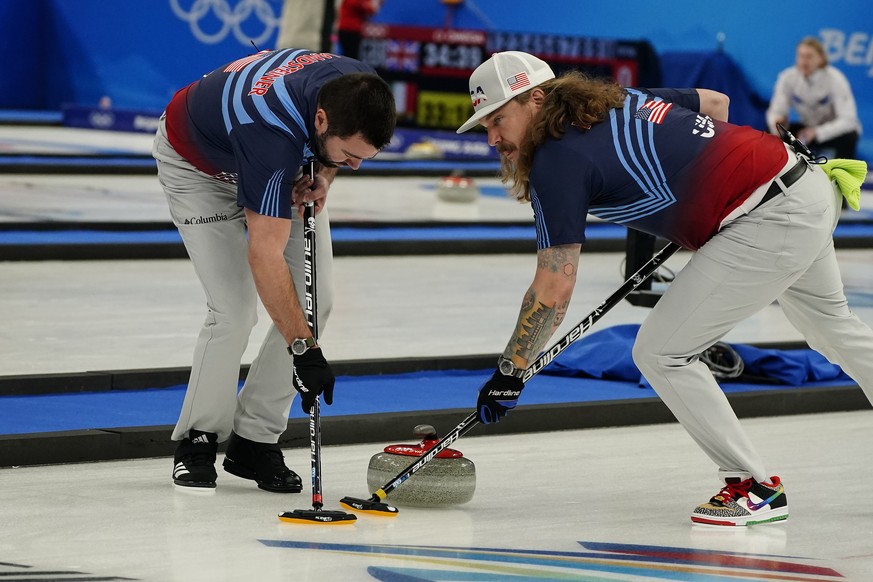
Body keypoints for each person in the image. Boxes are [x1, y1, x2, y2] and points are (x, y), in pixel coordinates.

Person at [457, 51, 873, 526]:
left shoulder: (557, 160)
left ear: (535, 99)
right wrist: (700, 201)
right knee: (834, 327)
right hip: (805, 185)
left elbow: (553, 287)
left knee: (660, 353)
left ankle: (752, 488)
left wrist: (511, 371)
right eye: (483, 126)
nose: (492, 138)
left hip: (770, 218)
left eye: (497, 119)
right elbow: (715, 105)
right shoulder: (613, 98)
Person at [152, 48, 396, 492]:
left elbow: (332, 154)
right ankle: (198, 438)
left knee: (316, 299)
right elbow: (264, 256)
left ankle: (254, 440)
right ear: (320, 120)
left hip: (277, 162)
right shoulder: (269, 128)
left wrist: (326, 171)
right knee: (234, 308)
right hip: (200, 169)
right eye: (350, 155)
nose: (356, 166)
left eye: (364, 158)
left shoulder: (358, 87)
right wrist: (304, 352)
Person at [766, 37, 862, 160]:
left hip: (831, 132)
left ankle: (843, 175)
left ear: (821, 58)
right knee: (774, 133)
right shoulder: (787, 78)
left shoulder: (835, 79)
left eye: (809, 56)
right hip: (806, 130)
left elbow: (848, 120)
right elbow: (775, 111)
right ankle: (778, 171)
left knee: (850, 136)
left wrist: (817, 132)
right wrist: (777, 123)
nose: (804, 61)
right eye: (801, 56)